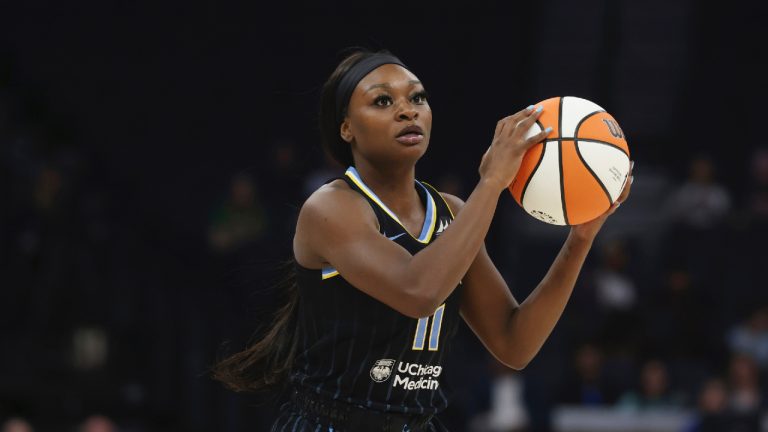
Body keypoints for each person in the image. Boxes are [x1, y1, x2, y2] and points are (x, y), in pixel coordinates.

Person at [213, 48, 633, 431]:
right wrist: (490, 183)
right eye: (383, 101)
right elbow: (419, 291)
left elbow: (513, 342)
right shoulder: (331, 208)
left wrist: (580, 239)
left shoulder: (451, 211)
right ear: (346, 129)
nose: (407, 111)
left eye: (417, 98)